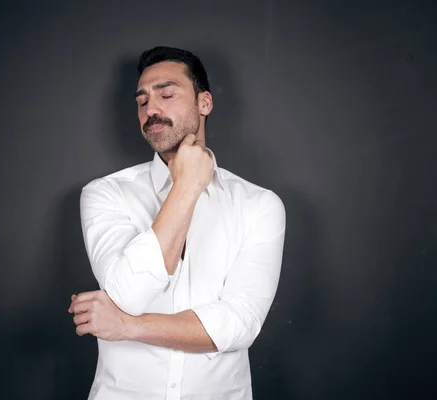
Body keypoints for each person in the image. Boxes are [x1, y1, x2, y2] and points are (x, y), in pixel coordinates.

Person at [68, 46, 286, 400]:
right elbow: (129, 294)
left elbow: (239, 324)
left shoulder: (259, 205)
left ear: (205, 103)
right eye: (142, 101)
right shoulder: (105, 194)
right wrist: (186, 186)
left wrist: (126, 326)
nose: (151, 109)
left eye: (167, 94)